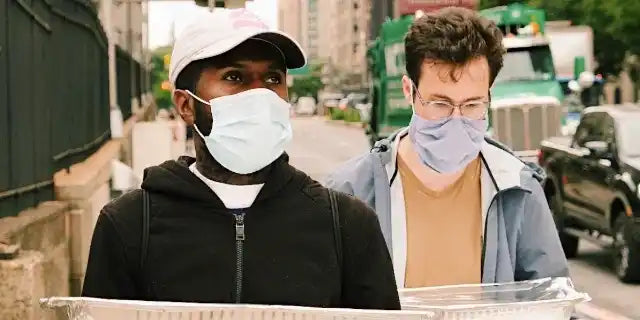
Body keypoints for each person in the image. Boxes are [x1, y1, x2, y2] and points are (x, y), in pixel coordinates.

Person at [82, 9, 400, 310]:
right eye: (235, 77)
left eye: (274, 79)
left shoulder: (348, 226)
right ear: (185, 105)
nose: (261, 94)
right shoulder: (129, 226)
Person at [325, 7, 569, 288]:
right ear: (409, 91)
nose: (456, 120)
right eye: (440, 104)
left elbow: (553, 301)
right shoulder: (351, 192)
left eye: (472, 105)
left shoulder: (518, 191)